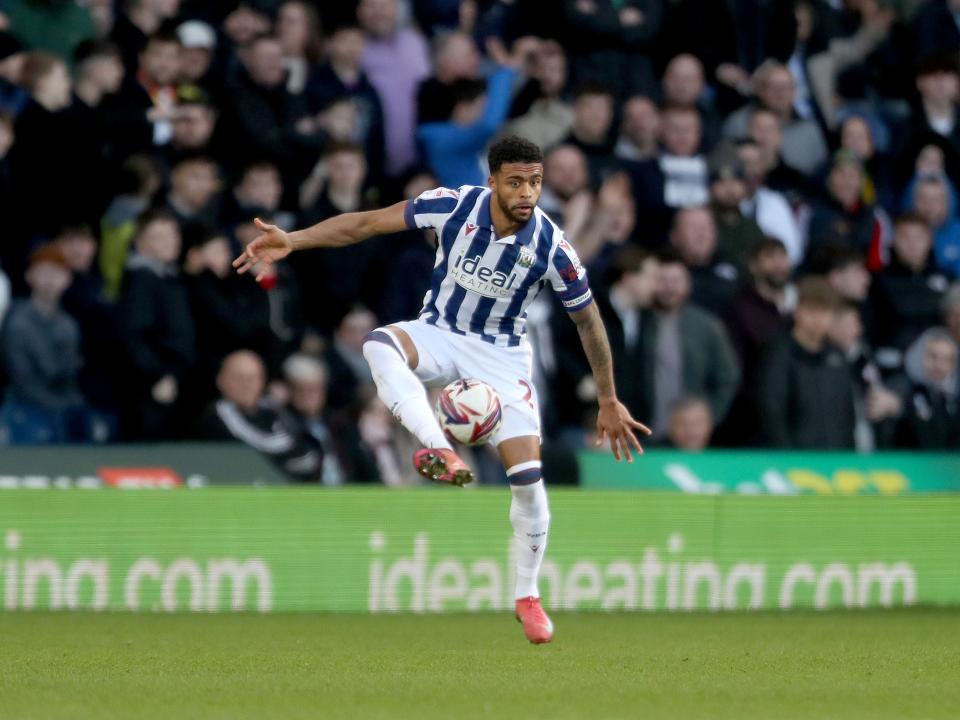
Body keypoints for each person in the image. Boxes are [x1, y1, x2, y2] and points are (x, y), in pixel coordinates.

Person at [234, 135, 650, 645]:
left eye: (535, 183)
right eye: (516, 182)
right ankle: (438, 448)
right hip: (440, 332)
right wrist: (294, 240)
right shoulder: (452, 206)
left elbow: (589, 322)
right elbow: (365, 223)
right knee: (379, 344)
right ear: (492, 180)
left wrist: (608, 398)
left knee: (529, 485)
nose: (527, 193)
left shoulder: (552, 246)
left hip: (501, 356)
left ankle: (527, 595)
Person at [0, 245, 88, 444]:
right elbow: (21, 378)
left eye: (56, 274)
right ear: (30, 276)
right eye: (44, 273)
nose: (50, 281)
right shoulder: (17, 321)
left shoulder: (68, 324)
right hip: (26, 406)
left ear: (67, 279)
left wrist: (71, 405)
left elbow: (70, 374)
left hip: (63, 406)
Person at [757, 277, 856, 449]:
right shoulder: (778, 355)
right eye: (811, 310)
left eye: (825, 311)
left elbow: (847, 412)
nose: (818, 319)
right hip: (793, 462)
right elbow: (771, 412)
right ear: (797, 311)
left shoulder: (837, 357)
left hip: (836, 460)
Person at [201, 350, 322, 480]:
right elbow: (247, 461)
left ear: (262, 382)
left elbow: (307, 456)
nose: (246, 385)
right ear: (221, 380)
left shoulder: (276, 412)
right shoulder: (213, 420)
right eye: (239, 378)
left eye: (252, 378)